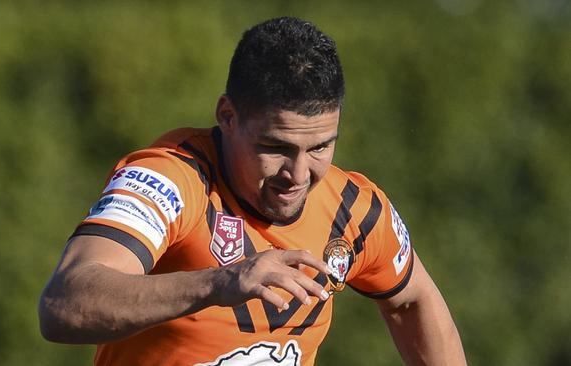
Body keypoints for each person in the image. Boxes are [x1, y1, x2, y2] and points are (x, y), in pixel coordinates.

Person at [38, 16, 467, 366]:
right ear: (228, 115)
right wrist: (217, 283)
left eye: (320, 147)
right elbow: (65, 302)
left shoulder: (353, 208)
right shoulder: (170, 179)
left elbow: (411, 303)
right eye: (275, 147)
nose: (298, 174)